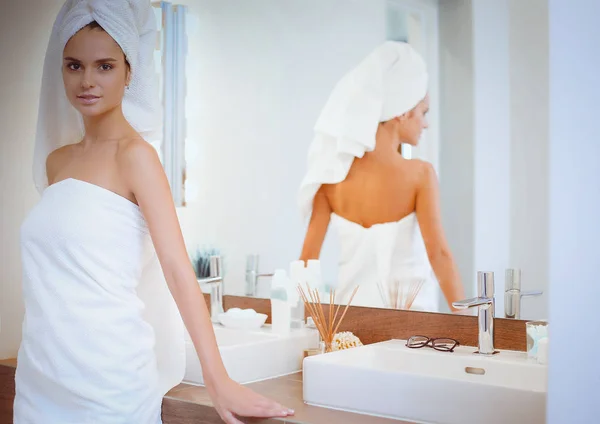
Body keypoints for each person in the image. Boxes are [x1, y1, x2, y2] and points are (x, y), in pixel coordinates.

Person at [14, 1, 293, 423]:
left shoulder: (137, 158)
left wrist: (219, 380)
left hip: (107, 385)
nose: (87, 81)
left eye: (105, 66)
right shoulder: (56, 162)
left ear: (130, 73)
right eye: (74, 66)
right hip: (41, 381)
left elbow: (178, 270)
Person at [298, 41, 465, 312]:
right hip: (412, 331)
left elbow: (306, 262)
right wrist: (467, 323)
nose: (426, 123)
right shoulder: (420, 175)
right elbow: (439, 255)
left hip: (349, 330)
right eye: (423, 112)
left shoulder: (330, 179)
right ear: (402, 112)